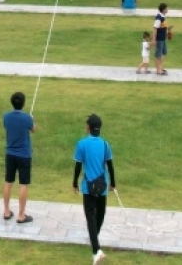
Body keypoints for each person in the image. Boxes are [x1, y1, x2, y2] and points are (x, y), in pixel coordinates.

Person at [72, 113, 116, 264]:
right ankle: (94, 239)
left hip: (88, 186)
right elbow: (110, 165)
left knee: (90, 215)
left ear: (88, 127)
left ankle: (95, 249)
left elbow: (78, 166)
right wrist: (113, 183)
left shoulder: (82, 144)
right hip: (102, 185)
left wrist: (74, 183)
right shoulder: (105, 144)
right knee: (101, 214)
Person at [2, 90, 34, 223]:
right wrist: (31, 120)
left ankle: (6, 211)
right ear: (23, 103)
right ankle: (21, 215)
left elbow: (7, 127)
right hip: (24, 155)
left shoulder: (6, 117)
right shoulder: (27, 118)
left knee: (8, 182)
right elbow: (33, 129)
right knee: (23, 184)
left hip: (10, 154)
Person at [152, 4, 171, 75]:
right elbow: (155, 28)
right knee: (158, 55)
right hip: (159, 39)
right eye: (166, 8)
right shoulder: (159, 18)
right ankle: (158, 70)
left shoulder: (163, 17)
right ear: (163, 9)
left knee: (164, 53)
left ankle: (160, 67)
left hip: (163, 38)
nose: (167, 9)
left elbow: (162, 27)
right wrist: (154, 39)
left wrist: (168, 30)